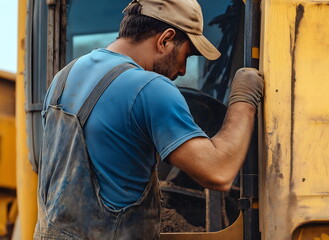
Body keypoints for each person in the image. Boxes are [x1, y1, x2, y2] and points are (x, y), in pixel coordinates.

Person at [34, 0, 264, 239]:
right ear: (165, 39)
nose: (184, 70)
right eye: (187, 55)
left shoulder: (63, 78)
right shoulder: (149, 88)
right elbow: (218, 172)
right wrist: (243, 100)